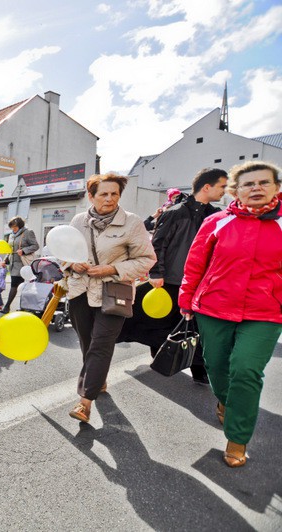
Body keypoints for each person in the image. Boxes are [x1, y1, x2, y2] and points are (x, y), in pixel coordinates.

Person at [179, 161, 282, 468]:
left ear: (277, 187)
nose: (257, 188)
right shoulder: (217, 222)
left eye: (264, 182)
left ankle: (237, 438)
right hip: (214, 306)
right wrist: (186, 299)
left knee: (246, 370)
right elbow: (196, 262)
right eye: (249, 184)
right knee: (216, 364)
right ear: (237, 190)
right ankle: (224, 399)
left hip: (266, 311)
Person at [119, 168, 227, 383]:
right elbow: (157, 244)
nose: (225, 191)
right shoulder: (174, 213)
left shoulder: (215, 216)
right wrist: (156, 272)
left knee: (196, 328)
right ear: (207, 187)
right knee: (157, 320)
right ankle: (158, 353)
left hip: (200, 284)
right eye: (222, 186)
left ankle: (199, 369)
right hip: (169, 281)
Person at [66, 173, 156, 424]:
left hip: (114, 292)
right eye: (103, 194)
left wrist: (113, 269)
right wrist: (73, 265)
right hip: (80, 292)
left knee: (101, 344)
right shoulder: (77, 221)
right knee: (86, 342)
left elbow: (147, 260)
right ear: (91, 196)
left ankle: (85, 401)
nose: (109, 198)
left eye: (114, 193)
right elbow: (63, 253)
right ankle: (98, 377)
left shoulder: (132, 223)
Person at [1, 216, 39, 313]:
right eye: (12, 227)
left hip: (23, 264)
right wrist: (6, 260)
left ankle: (7, 306)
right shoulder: (11, 235)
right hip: (13, 264)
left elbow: (35, 246)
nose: (13, 229)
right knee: (18, 286)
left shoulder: (27, 232)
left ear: (20, 226)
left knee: (18, 285)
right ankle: (20, 307)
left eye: (15, 227)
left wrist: (24, 250)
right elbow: (10, 250)